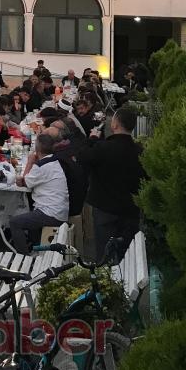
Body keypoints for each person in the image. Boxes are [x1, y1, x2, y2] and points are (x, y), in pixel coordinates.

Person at [77, 106, 146, 259]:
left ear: (114, 125)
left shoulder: (103, 148)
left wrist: (92, 139)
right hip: (130, 209)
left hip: (104, 208)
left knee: (104, 254)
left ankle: (106, 279)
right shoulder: (140, 152)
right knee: (127, 254)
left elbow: (82, 157)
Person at [9, 132, 70, 253]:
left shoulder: (41, 166)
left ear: (36, 149)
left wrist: (30, 162)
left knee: (15, 222)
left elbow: (24, 182)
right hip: (58, 209)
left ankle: (23, 257)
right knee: (31, 215)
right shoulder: (54, 161)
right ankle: (35, 248)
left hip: (51, 213)